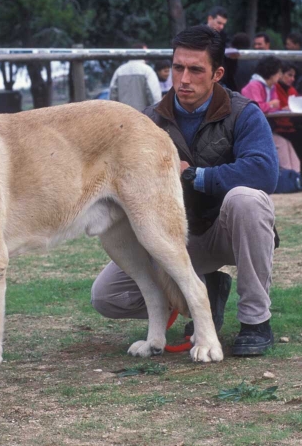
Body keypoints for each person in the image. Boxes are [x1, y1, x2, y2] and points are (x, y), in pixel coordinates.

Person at [91, 25, 279, 356]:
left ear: (218, 73)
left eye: (195, 69)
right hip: (171, 241)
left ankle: (255, 321)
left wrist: (194, 175)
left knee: (247, 199)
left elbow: (264, 172)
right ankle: (206, 291)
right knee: (107, 296)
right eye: (178, 68)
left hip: (230, 234)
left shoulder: (243, 113)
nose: (184, 79)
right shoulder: (148, 120)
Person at [241, 58, 302, 176]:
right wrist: (270, 105)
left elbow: (275, 105)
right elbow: (256, 108)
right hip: (253, 130)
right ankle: (288, 176)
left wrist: (276, 107)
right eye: (279, 72)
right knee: (281, 145)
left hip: (268, 127)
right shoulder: (254, 85)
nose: (280, 75)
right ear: (271, 72)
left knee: (287, 144)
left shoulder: (272, 87)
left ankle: (296, 176)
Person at [109, 43, 161, 111]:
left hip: (122, 117)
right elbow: (155, 97)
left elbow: (112, 96)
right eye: (146, 52)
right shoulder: (147, 71)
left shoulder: (119, 71)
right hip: (142, 117)